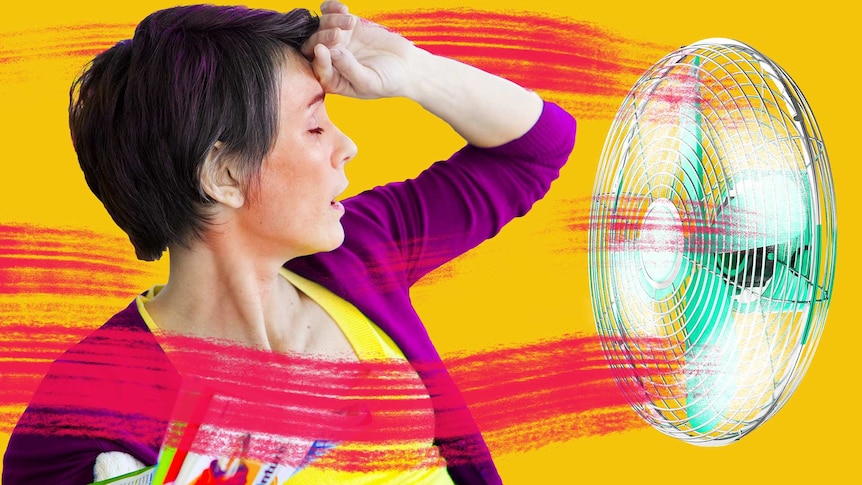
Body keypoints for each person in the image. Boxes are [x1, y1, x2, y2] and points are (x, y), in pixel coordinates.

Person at [3, 1, 576, 483]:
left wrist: (415, 72)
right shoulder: (86, 411)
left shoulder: (359, 249)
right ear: (223, 175)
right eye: (314, 125)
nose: (346, 145)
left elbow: (535, 149)